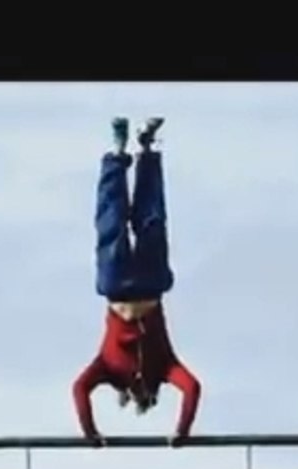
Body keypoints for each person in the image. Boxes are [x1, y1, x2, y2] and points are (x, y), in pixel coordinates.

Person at [72, 117, 202, 447]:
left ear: (127, 395)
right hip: (151, 284)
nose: (140, 392)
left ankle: (117, 152)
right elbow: (192, 388)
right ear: (152, 394)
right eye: (146, 397)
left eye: (136, 397)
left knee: (111, 225)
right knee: (152, 219)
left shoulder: (107, 370)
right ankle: (146, 148)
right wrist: (182, 432)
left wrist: (91, 434)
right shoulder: (166, 367)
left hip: (116, 287)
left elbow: (79, 389)